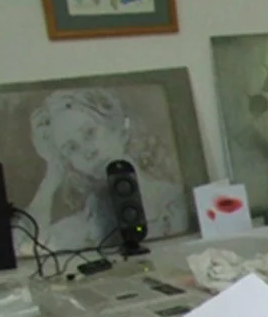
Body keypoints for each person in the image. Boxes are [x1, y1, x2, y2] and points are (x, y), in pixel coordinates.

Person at [24, 88, 188, 251]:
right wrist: (51, 177)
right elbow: (25, 249)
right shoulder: (78, 229)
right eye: (71, 148)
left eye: (90, 133)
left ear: (115, 127)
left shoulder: (176, 202)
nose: (88, 152)